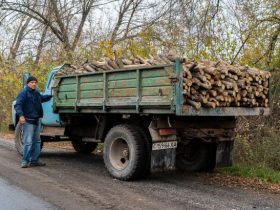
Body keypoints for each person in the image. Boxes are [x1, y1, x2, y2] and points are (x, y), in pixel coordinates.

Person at [14, 76, 52, 168]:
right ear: (28, 83)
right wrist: (21, 116)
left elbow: (42, 98)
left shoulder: (36, 93)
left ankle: (35, 160)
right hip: (28, 121)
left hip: (36, 120)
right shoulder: (23, 93)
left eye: (35, 82)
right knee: (28, 142)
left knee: (37, 141)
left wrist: (51, 95)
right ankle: (25, 161)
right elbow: (18, 105)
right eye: (32, 82)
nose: (34, 84)